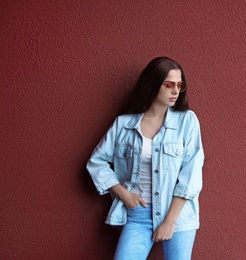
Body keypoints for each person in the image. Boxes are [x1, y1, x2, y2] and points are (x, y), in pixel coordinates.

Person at [86, 57, 204, 260]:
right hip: (138, 215)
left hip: (178, 216)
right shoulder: (123, 125)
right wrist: (123, 194)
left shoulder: (187, 121)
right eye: (169, 84)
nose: (176, 91)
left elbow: (191, 174)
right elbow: (96, 162)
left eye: (179, 85)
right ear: (152, 84)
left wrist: (169, 221)